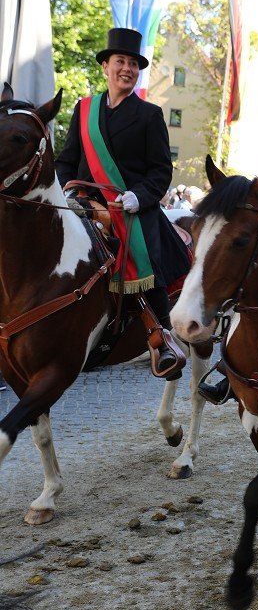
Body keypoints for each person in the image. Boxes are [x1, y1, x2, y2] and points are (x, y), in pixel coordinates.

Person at [55, 27, 188, 378]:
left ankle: (163, 337)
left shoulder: (149, 115)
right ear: (105, 66)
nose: (126, 68)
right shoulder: (84, 110)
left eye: (133, 63)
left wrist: (139, 196)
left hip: (129, 208)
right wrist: (67, 189)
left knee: (144, 260)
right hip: (83, 203)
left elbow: (161, 171)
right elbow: (66, 159)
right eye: (120, 61)